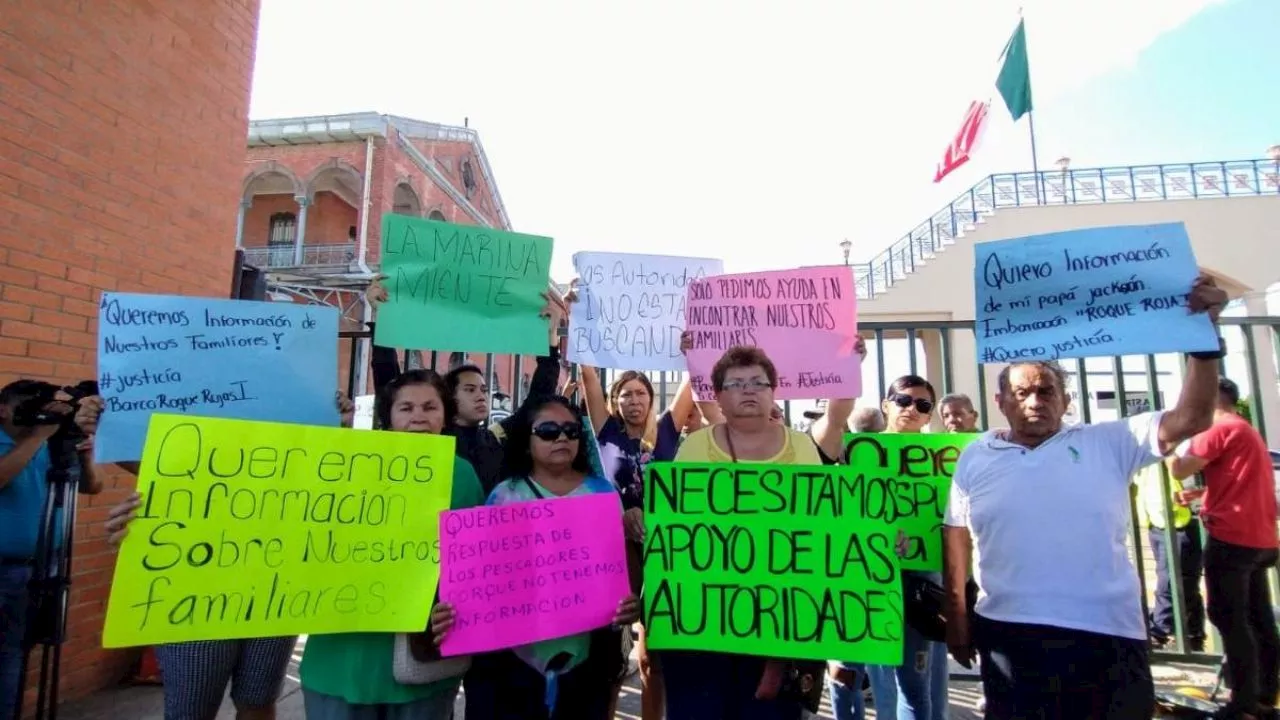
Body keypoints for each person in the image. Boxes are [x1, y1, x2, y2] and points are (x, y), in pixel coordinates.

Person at [104, 372, 481, 720]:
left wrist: (453, 606)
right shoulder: (340, 465)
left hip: (418, 657)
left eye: (430, 407)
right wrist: (148, 518)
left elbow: (471, 564)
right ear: (388, 417)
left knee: (256, 703)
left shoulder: (462, 475)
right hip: (338, 656)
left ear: (445, 416)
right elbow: (256, 504)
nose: (418, 417)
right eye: (406, 408)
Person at [942, 274, 1227, 720]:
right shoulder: (976, 456)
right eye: (1022, 393)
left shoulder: (1110, 441)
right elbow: (956, 536)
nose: (1034, 401)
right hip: (1009, 634)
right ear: (1001, 402)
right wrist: (958, 620)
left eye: (1045, 390)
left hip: (1105, 634)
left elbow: (1192, 417)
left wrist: (1204, 341)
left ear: (1065, 398)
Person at [657, 345, 825, 720]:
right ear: (717, 395)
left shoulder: (801, 446)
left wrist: (873, 540)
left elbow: (823, 526)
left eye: (758, 382)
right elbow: (677, 528)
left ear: (773, 391)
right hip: (701, 622)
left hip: (779, 624)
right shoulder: (696, 447)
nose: (748, 390)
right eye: (735, 383)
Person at [451, 395, 641, 719]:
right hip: (514, 664)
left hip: (587, 660)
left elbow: (623, 573)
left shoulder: (604, 495)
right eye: (549, 430)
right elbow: (484, 580)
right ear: (527, 439)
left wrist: (630, 601)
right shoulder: (504, 496)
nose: (563, 437)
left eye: (571, 430)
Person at [1168, 377, 1278, 719]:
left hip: (1231, 537)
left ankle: (1242, 703)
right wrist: (1203, 495)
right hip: (1260, 537)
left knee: (1229, 617)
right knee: (1258, 618)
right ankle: (1263, 697)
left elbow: (1179, 468)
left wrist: (1168, 443)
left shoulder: (1218, 427)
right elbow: (1241, 482)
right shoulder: (1245, 430)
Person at [0, 381, 104, 718]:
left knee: (21, 650)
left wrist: (85, 456)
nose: (39, 413)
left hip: (45, 567)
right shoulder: (33, 440)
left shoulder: (52, 442)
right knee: (7, 655)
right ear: (3, 408)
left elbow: (92, 486)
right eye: (29, 405)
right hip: (5, 569)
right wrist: (36, 438)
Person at [863, 375, 949, 720]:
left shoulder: (945, 458)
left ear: (930, 416)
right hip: (871, 577)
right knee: (880, 676)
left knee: (915, 684)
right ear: (886, 405)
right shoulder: (860, 455)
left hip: (923, 578)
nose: (912, 409)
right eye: (903, 400)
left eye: (923, 405)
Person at [827, 405, 887, 720]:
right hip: (845, 586)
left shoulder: (898, 475)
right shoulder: (827, 469)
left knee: (858, 672)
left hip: (869, 588)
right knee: (855, 672)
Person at [1134, 460, 1206, 652]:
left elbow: (1198, 479)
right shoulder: (1147, 449)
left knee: (1172, 580)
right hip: (1158, 520)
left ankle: (1160, 630)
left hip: (1181, 521)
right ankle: (1192, 634)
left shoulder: (1179, 446)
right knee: (1181, 580)